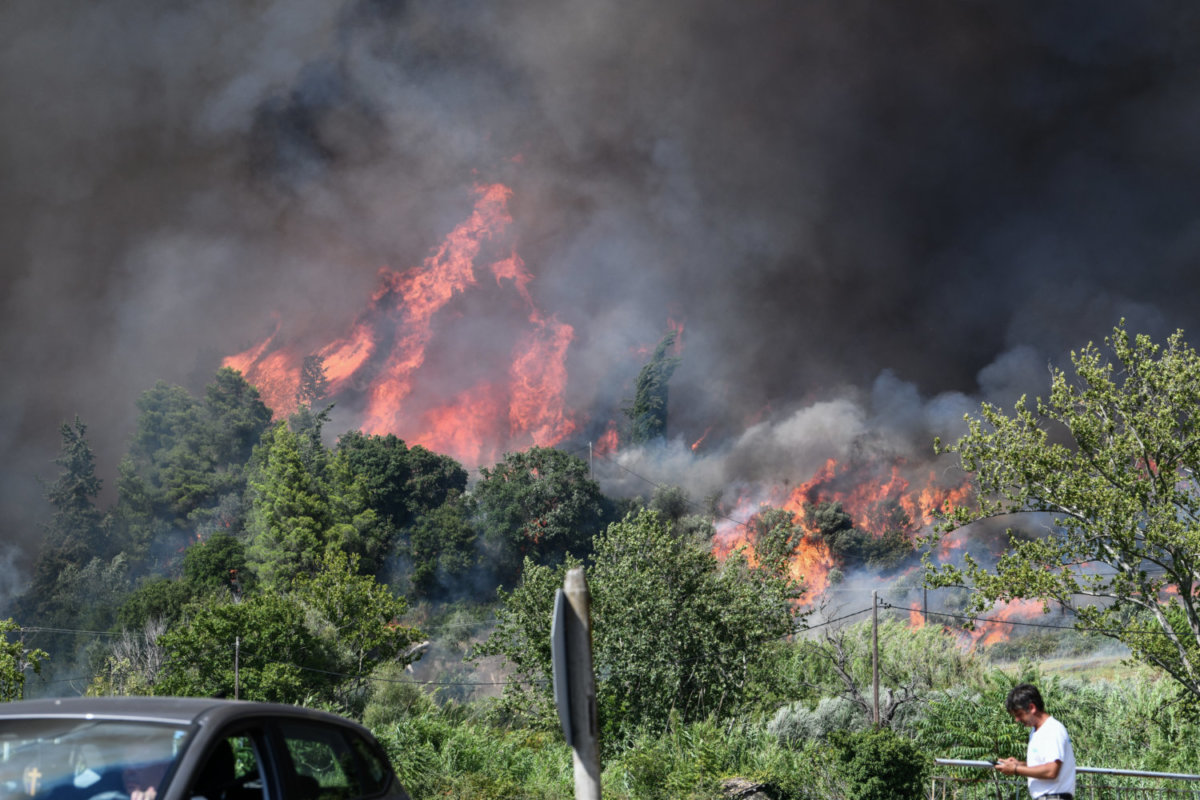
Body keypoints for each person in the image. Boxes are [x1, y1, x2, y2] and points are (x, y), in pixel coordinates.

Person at [995, 683, 1076, 800]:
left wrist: (1015, 770)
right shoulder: (1036, 731)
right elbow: (1043, 765)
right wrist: (1018, 764)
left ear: (1032, 708)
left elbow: (1051, 770)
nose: (1017, 720)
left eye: (1019, 714)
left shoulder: (1052, 729)